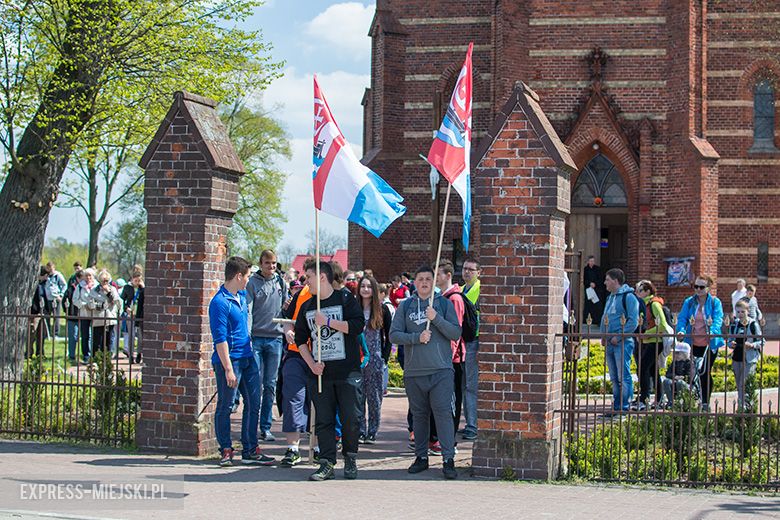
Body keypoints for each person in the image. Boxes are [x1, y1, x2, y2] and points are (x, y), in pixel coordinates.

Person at [294, 261, 365, 481]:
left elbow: (357, 326)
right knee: (323, 420)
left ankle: (350, 458)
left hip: (347, 372)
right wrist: (311, 364)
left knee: (351, 418)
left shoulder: (345, 299)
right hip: (321, 373)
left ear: (322, 277)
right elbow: (300, 341)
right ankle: (326, 463)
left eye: (309, 277)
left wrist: (328, 322)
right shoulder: (307, 306)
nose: (307, 282)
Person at [390, 265, 461, 480]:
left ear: (433, 282)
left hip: (441, 370)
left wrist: (436, 318)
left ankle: (448, 460)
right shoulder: (406, 307)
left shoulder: (444, 304)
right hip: (414, 371)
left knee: (442, 414)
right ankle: (421, 457)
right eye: (420, 279)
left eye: (428, 279)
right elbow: (394, 335)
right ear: (414, 282)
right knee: (419, 416)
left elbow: (456, 332)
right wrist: (416, 338)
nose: (424, 282)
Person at [209, 256, 274, 467]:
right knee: (226, 405)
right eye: (246, 276)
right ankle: (226, 449)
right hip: (230, 360)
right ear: (238, 276)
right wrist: (228, 369)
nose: (249, 280)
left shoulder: (242, 295)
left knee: (254, 402)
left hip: (248, 357)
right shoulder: (219, 302)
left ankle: (250, 448)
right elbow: (220, 339)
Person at [245, 249, 287, 441]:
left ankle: (266, 426)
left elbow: (286, 306)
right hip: (257, 338)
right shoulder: (252, 283)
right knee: (256, 384)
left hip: (275, 338)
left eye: (274, 263)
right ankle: (251, 425)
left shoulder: (280, 282)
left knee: (270, 384)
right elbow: (249, 309)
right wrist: (247, 334)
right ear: (260, 264)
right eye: (267, 263)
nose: (271, 267)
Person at [278, 259, 316, 468]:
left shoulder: (333, 297)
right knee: (293, 397)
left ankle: (318, 447)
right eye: (306, 276)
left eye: (309, 276)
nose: (305, 280)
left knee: (319, 401)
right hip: (296, 354)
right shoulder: (299, 295)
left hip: (321, 356)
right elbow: (286, 319)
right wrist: (288, 331)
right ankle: (293, 448)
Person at [676, 275, 725, 411]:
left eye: (701, 287)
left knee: (704, 372)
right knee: (691, 372)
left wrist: (713, 331)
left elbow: (718, 318)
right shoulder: (689, 302)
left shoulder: (715, 302)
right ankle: (690, 399)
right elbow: (682, 318)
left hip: (709, 343)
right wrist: (680, 330)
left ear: (708, 288)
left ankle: (705, 402)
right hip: (692, 342)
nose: (698, 289)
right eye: (696, 286)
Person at [357, 276, 392, 443]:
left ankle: (372, 430)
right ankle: (360, 430)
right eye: (362, 286)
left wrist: (384, 357)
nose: (365, 289)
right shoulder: (354, 309)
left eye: (368, 287)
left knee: (374, 397)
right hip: (357, 359)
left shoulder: (382, 310)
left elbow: (389, 336)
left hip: (376, 359)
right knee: (358, 396)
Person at [599, 268, 639, 414]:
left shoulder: (628, 297)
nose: (605, 283)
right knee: (614, 377)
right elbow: (606, 317)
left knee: (623, 376)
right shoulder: (610, 297)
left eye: (607, 280)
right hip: (610, 341)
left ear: (615, 281)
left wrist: (620, 336)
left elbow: (633, 321)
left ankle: (624, 407)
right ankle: (616, 406)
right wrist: (604, 336)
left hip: (622, 342)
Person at [436, 260, 466, 433]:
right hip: (442, 357)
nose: (435, 277)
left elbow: (455, 330)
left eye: (438, 273)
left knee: (452, 400)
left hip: (452, 359)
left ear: (448, 275)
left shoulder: (454, 299)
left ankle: (450, 438)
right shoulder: (441, 296)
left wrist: (448, 356)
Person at [635, 280, 671, 410]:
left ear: (647, 291)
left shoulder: (654, 304)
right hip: (648, 341)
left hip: (656, 341)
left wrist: (646, 334)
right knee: (652, 370)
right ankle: (659, 398)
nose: (637, 293)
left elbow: (662, 325)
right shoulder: (644, 304)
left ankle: (644, 398)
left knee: (642, 368)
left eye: (640, 291)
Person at [729, 300, 764, 410]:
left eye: (742, 312)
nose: (740, 314)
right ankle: (741, 406)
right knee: (739, 384)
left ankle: (745, 408)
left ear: (748, 311)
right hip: (737, 357)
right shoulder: (734, 324)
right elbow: (729, 339)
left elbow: (761, 341)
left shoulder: (753, 324)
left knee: (745, 384)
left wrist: (752, 345)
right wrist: (731, 344)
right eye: (738, 312)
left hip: (749, 358)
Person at [460, 257, 480, 440]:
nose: (467, 272)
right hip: (461, 343)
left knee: (471, 386)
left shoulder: (480, 290)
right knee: (463, 385)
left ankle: (473, 425)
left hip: (474, 342)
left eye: (471, 270)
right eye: (465, 268)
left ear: (478, 273)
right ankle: (468, 422)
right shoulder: (460, 290)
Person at [87, 269, 120, 355]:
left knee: (108, 342)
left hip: (109, 320)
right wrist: (101, 305)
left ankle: (107, 360)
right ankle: (95, 361)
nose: (105, 282)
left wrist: (108, 292)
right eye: (103, 281)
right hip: (98, 319)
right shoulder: (94, 290)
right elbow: (90, 304)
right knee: (97, 343)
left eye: (106, 280)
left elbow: (116, 301)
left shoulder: (112, 289)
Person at [120, 270, 144, 363]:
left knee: (141, 336)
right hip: (130, 313)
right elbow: (123, 300)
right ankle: (130, 355)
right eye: (136, 280)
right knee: (132, 335)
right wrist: (126, 308)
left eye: (139, 280)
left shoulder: (142, 288)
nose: (137, 282)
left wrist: (143, 288)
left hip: (140, 313)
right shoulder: (127, 288)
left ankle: (139, 353)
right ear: (132, 279)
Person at [661, 342, 695, 408]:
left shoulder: (690, 364)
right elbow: (667, 374)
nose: (675, 355)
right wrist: (675, 377)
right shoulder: (674, 363)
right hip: (675, 382)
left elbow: (690, 377)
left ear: (685, 353)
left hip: (687, 385)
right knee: (666, 381)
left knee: (680, 383)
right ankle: (671, 402)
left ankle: (681, 402)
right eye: (675, 353)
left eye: (677, 353)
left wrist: (681, 378)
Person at [74, 268, 96, 363]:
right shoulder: (80, 286)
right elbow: (75, 299)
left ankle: (95, 354)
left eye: (90, 275)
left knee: (96, 335)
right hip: (84, 313)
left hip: (95, 313)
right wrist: (83, 305)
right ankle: (86, 355)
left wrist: (94, 305)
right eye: (86, 275)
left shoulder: (97, 286)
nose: (88, 277)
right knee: (85, 335)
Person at [28, 267, 51, 358]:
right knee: (32, 333)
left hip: (43, 312)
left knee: (41, 334)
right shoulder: (35, 284)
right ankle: (29, 352)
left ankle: (40, 352)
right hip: (35, 312)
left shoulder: (45, 284)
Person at [63, 269, 83, 362]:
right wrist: (67, 311)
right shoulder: (71, 289)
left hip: (84, 315)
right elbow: (65, 300)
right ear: (78, 279)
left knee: (87, 336)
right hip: (73, 315)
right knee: (73, 336)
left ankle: (86, 355)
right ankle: (72, 355)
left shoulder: (87, 288)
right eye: (82, 279)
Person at [44, 261, 67, 337]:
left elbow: (64, 285)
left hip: (55, 298)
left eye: (51, 268)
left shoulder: (58, 275)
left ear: (53, 267)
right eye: (48, 268)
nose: (50, 270)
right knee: (47, 316)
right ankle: (47, 333)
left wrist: (61, 295)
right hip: (47, 298)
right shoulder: (46, 276)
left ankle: (55, 333)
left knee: (56, 316)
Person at [583, 256, 605, 326]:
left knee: (597, 305)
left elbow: (601, 279)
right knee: (589, 305)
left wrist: (595, 284)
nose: (592, 262)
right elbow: (584, 279)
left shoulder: (597, 269)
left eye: (593, 261)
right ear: (588, 262)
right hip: (589, 290)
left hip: (596, 289)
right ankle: (588, 320)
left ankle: (597, 320)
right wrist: (589, 283)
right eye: (590, 261)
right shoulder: (585, 269)